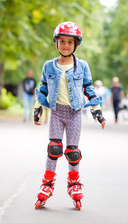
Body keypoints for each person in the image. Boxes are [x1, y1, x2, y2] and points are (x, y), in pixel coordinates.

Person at [33, 22, 106, 210]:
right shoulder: (49, 66)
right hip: (56, 112)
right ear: (56, 42)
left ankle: (74, 185)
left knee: (73, 152)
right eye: (62, 41)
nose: (66, 45)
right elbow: (42, 89)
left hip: (74, 113)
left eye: (70, 42)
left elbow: (88, 88)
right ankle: (47, 184)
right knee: (54, 148)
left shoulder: (82, 66)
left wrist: (97, 110)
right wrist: (38, 107)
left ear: (76, 45)